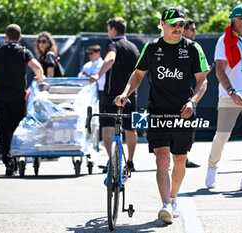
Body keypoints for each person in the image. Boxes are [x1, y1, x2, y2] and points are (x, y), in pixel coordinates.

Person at [115, 6, 208, 224]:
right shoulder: (151, 48)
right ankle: (165, 204)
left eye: (181, 24)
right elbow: (137, 75)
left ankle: (174, 198)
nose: (178, 28)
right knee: (162, 159)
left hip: (184, 113)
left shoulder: (193, 48)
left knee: (180, 159)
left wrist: (193, 102)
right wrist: (125, 93)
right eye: (174, 24)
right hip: (157, 112)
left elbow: (203, 80)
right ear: (163, 25)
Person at [205, 4, 242, 190]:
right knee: (222, 136)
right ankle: (211, 169)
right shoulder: (224, 40)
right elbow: (220, 71)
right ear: (236, 20)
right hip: (230, 96)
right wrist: (231, 91)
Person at [0, 24, 45, 175]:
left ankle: (9, 163)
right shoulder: (24, 52)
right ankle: (19, 156)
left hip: (1, 97)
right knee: (18, 129)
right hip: (18, 97)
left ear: (6, 37)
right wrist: (41, 79)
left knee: (4, 131)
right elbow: (37, 68)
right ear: (20, 38)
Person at [90, 17, 140, 171]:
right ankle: (130, 162)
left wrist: (98, 75)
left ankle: (113, 161)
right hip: (131, 94)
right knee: (131, 128)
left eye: (108, 29)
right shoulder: (134, 47)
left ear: (113, 29)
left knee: (107, 127)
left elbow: (111, 58)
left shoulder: (112, 44)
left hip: (112, 94)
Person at [182, 18, 201, 168]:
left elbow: (202, 75)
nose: (195, 32)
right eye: (192, 29)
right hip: (172, 96)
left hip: (189, 96)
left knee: (188, 128)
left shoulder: (194, 48)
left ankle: (184, 157)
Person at [78, 44, 106, 145]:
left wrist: (88, 76)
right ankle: (91, 139)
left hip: (101, 92)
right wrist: (88, 76)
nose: (89, 55)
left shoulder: (103, 64)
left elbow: (99, 79)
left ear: (98, 53)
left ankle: (101, 139)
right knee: (89, 116)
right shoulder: (87, 65)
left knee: (101, 116)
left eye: (91, 53)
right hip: (89, 93)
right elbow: (80, 77)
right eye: (88, 53)